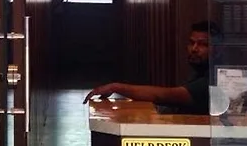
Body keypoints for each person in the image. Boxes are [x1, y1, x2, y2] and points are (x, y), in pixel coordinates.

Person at [83, 20, 219, 115]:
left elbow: (165, 95)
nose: (194, 49)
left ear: (218, 50)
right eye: (191, 43)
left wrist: (116, 87)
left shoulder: (214, 79)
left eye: (203, 45)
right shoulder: (199, 72)